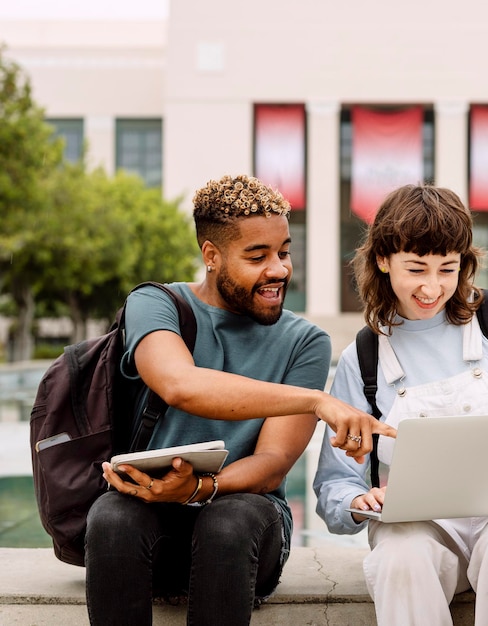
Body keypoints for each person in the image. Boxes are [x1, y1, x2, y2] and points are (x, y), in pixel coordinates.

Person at [84, 174, 394, 626]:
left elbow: (271, 466)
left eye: (284, 252)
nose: (279, 270)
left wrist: (199, 488)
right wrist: (313, 400)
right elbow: (179, 384)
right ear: (211, 255)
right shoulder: (155, 304)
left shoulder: (304, 342)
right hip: (150, 524)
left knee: (228, 521)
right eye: (257, 256)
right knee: (111, 516)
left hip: (247, 530)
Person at [313, 183, 488, 626]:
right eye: (416, 268)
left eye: (447, 269)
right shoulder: (362, 358)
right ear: (382, 260)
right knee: (400, 556)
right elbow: (334, 485)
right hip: (427, 532)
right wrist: (362, 500)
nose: (432, 287)